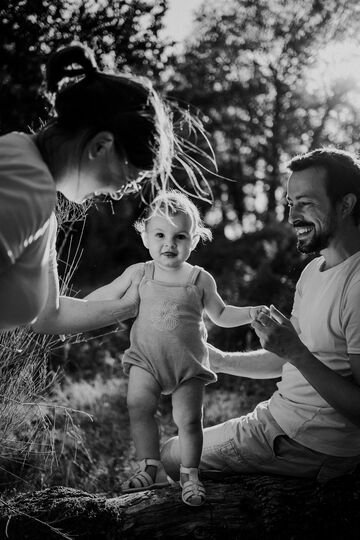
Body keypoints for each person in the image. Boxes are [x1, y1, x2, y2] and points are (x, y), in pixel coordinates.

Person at [162, 147, 360, 485]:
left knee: (170, 454)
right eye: (290, 203)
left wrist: (295, 351)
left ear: (345, 204)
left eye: (306, 203)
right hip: (282, 423)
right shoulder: (314, 271)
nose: (293, 216)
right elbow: (288, 359)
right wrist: (219, 360)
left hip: (304, 442)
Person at [86, 190, 266, 506]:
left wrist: (250, 313)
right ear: (145, 238)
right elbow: (108, 294)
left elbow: (221, 314)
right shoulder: (140, 272)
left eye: (179, 236)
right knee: (138, 405)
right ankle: (150, 466)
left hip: (188, 364)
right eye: (160, 235)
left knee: (189, 421)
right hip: (147, 360)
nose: (169, 244)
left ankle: (189, 473)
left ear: (193, 241)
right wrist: (75, 313)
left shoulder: (200, 279)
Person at [0, 42, 178, 334]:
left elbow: (49, 315)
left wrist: (131, 304)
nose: (121, 192)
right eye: (129, 178)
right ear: (101, 146)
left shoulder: (34, 186)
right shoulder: (26, 185)